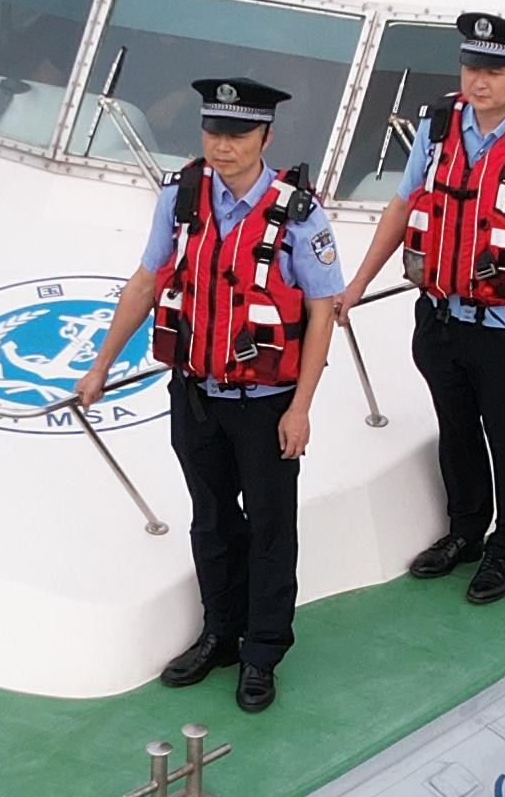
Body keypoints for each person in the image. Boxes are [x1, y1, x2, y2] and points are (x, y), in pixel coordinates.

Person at [63, 76, 343, 715]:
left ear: (265, 137)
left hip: (267, 402)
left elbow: (322, 311)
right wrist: (100, 365)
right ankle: (220, 632)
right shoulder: (179, 198)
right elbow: (145, 282)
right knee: (211, 519)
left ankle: (262, 651)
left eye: (238, 134)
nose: (223, 145)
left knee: (271, 528)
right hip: (195, 394)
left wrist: (300, 408)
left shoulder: (300, 214)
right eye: (214, 131)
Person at [351, 8, 505, 606]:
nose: (479, 81)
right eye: (472, 67)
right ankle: (465, 531)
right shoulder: (437, 128)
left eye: (496, 71)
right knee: (455, 431)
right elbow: (402, 207)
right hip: (439, 317)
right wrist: (356, 285)